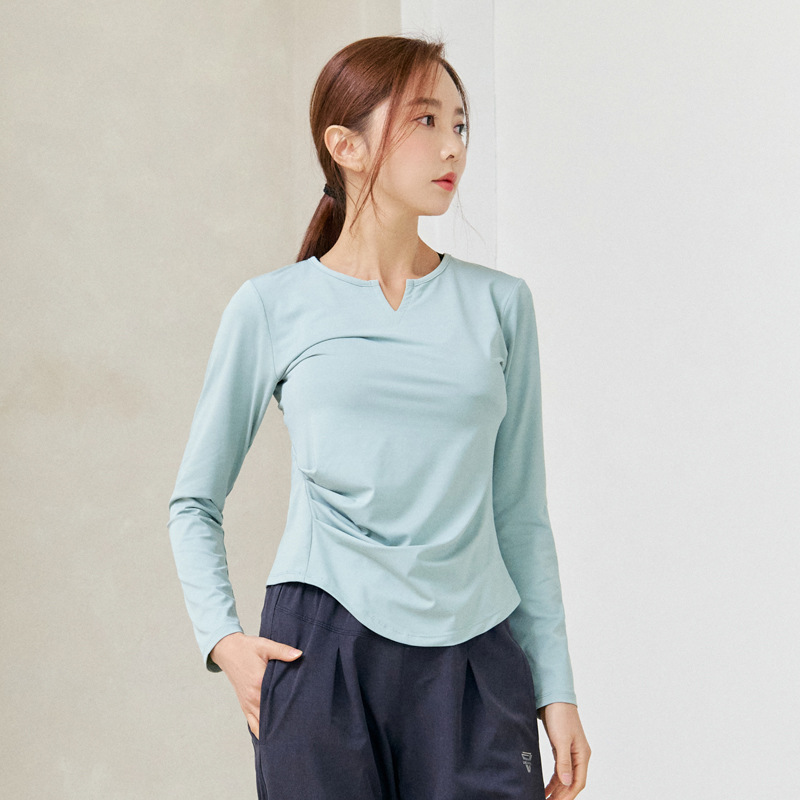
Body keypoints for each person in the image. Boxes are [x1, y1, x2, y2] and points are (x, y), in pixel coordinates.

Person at [168, 33, 591, 800]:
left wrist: (555, 687)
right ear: (347, 146)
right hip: (319, 654)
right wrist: (224, 641)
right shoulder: (272, 306)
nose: (452, 146)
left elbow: (520, 513)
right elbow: (194, 501)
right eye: (425, 120)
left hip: (476, 656)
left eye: (460, 124)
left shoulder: (501, 305)